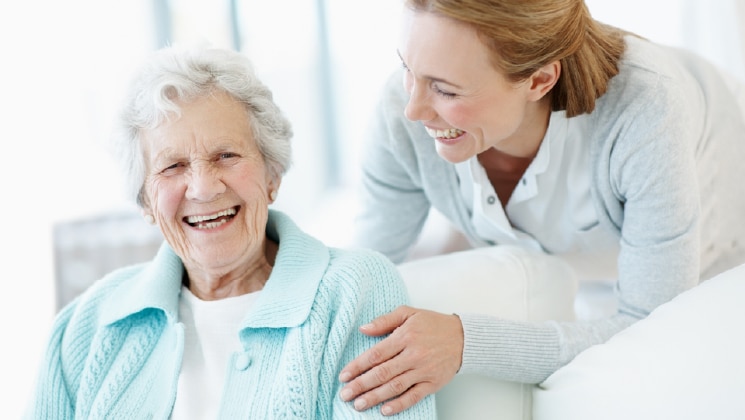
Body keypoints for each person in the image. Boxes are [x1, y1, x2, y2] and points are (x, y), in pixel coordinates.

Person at [339, 0, 745, 415]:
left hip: (725, 218)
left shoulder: (646, 112)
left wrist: (465, 343)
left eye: (445, 89)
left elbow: (652, 325)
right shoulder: (400, 110)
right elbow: (359, 274)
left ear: (539, 80)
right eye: (407, 67)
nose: (413, 110)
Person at [25, 44, 436, 419]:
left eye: (226, 155)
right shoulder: (86, 325)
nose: (204, 188)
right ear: (146, 202)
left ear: (272, 174)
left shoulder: (356, 291)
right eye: (173, 166)